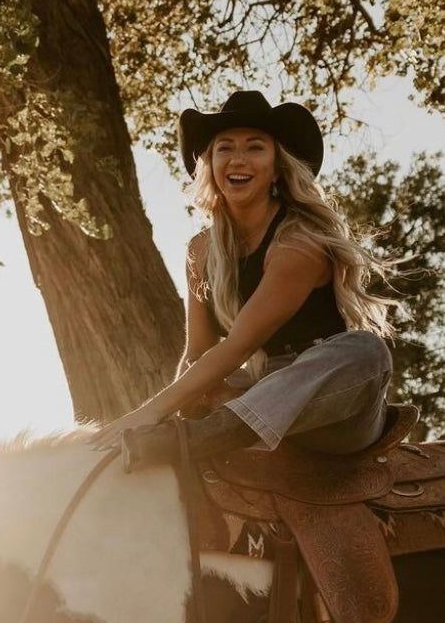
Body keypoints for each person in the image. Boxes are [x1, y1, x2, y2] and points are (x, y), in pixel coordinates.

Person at [94, 90, 396, 471]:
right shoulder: (201, 250)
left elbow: (238, 344)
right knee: (214, 383)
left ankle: (199, 440)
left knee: (365, 351)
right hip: (256, 388)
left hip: (332, 403)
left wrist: (147, 415)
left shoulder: (299, 243)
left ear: (276, 165)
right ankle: (211, 430)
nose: (238, 159)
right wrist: (176, 410)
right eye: (225, 148)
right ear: (210, 162)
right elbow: (199, 352)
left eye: (255, 148)